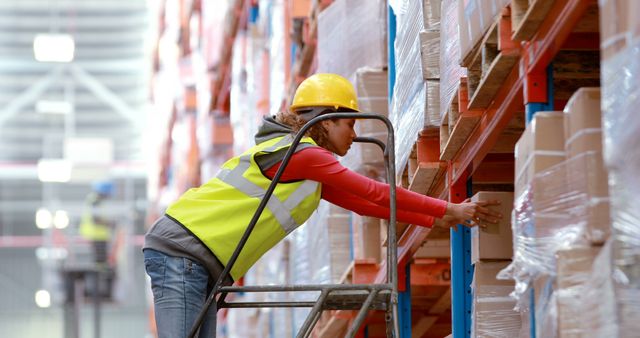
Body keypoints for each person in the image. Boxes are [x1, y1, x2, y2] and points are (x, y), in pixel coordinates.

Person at [143, 73, 502, 338]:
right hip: (183, 253)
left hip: (198, 263)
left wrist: (436, 219)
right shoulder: (303, 154)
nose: (353, 134)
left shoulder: (304, 166)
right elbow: (374, 192)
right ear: (325, 121)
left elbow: (368, 206)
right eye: (348, 124)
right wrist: (448, 210)